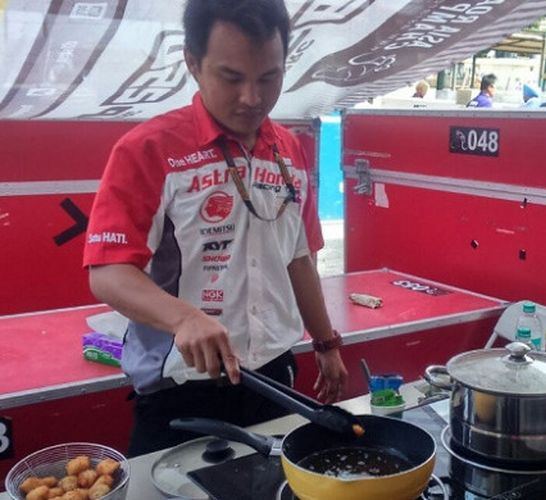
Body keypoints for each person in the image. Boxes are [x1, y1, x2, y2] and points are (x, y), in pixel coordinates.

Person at [83, 0, 348, 457]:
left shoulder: (289, 150)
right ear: (192, 63)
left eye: (269, 77)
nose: (252, 97)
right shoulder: (147, 150)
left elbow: (299, 256)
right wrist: (184, 317)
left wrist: (326, 343)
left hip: (273, 374)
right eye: (231, 77)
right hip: (183, 384)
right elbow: (106, 272)